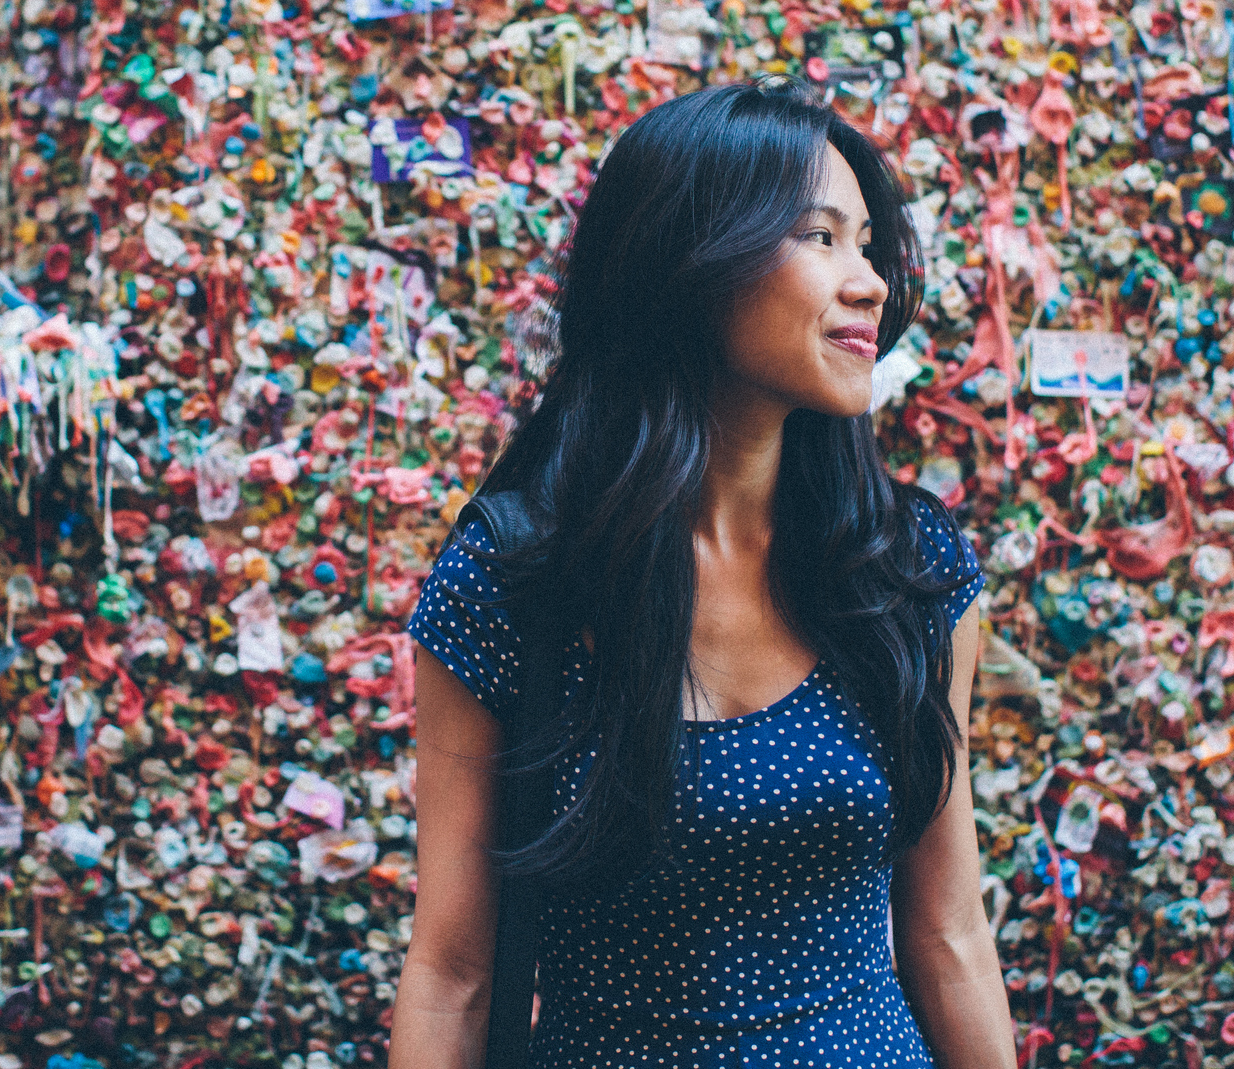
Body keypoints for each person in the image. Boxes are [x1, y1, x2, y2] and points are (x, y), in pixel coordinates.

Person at [388, 81, 1018, 1068]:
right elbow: (453, 972)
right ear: (687, 261)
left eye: (867, 243)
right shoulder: (515, 578)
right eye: (820, 236)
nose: (869, 282)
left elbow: (949, 938)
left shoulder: (907, 571)